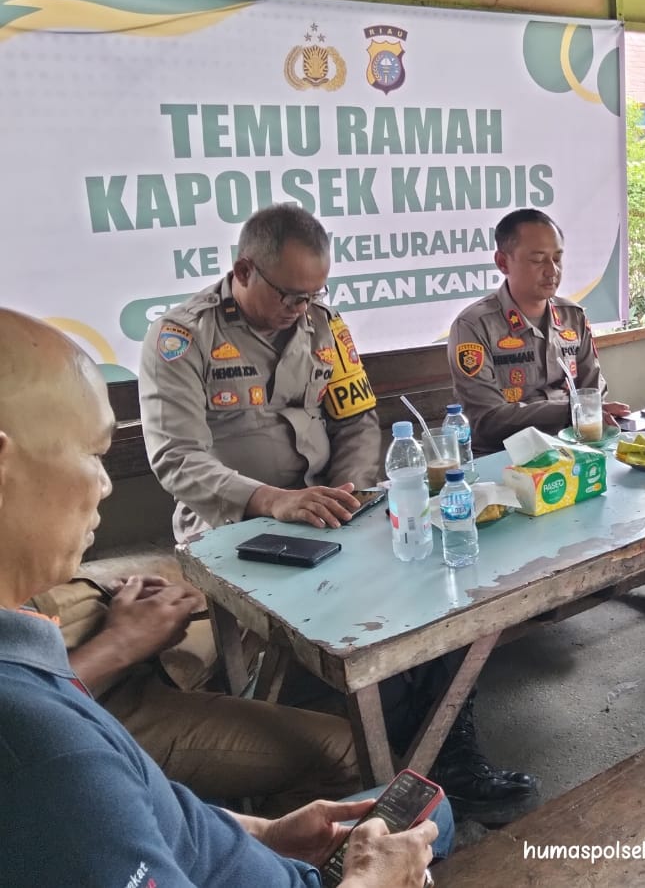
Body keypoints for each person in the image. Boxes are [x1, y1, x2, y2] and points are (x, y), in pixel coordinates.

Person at [0, 307, 443, 885]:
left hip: (220, 839)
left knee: (425, 811)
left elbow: (152, 805)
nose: (105, 483)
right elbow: (179, 458)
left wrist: (262, 834)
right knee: (408, 812)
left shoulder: (42, 696)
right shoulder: (48, 758)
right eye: (95, 454)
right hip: (232, 531)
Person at [138, 203, 539, 824]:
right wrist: (274, 500)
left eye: (314, 294)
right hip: (237, 532)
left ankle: (447, 751)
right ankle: (398, 758)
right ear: (244, 270)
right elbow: (177, 460)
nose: (303, 309)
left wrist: (350, 486)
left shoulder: (324, 326)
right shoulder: (181, 336)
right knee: (358, 630)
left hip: (331, 510)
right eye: (291, 295)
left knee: (445, 576)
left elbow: (355, 417)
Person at [26, 568, 363, 816]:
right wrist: (121, 643)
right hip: (86, 708)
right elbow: (17, 704)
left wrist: (102, 590)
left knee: (262, 623)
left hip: (108, 652)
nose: (105, 487)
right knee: (343, 752)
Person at [448, 208, 629, 455]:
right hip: (503, 457)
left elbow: (593, 392)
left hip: (574, 447)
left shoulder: (572, 317)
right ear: (503, 262)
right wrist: (571, 410)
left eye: (557, 258)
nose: (552, 270)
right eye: (537, 259)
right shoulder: (474, 326)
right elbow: (487, 420)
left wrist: (585, 410)